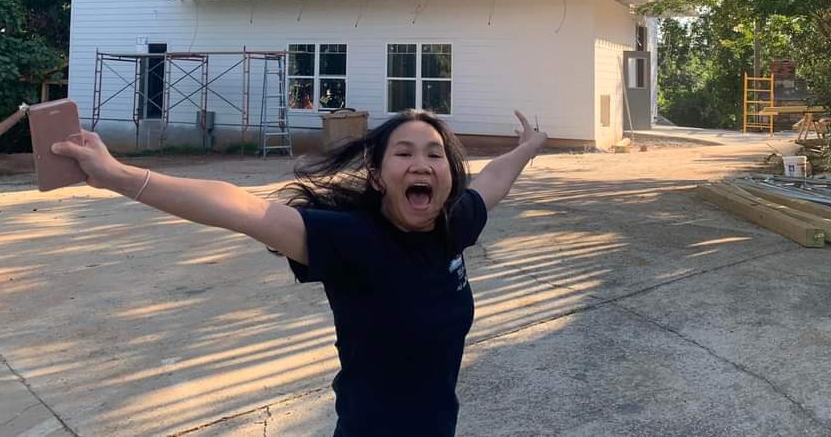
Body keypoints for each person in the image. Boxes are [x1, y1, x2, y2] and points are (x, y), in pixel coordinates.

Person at [51, 108, 548, 436]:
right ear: (376, 176)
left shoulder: (453, 224)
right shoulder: (351, 240)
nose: (422, 163)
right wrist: (117, 175)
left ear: (448, 175)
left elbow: (493, 180)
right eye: (404, 153)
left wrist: (528, 146)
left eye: (435, 154)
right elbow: (239, 207)